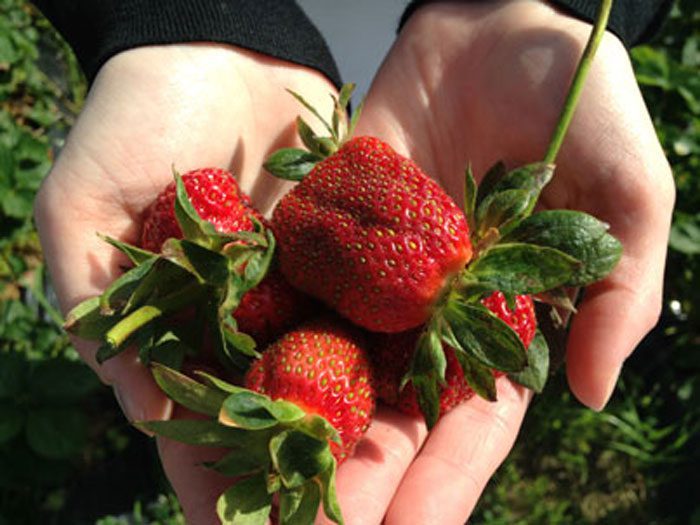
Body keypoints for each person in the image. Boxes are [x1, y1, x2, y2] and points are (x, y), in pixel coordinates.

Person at [33, 1, 674, 523]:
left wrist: (545, 10)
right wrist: (187, 20)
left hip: (425, 93)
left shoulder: (423, 270)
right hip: (286, 105)